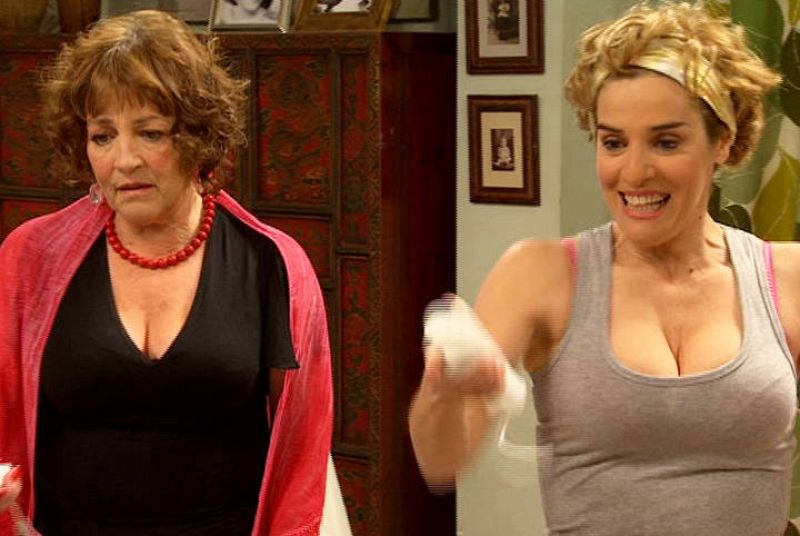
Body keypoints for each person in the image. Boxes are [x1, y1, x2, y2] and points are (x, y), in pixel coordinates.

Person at [409, 2, 794, 534]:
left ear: (723, 141)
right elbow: (440, 460)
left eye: (666, 141)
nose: (633, 172)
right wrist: (444, 388)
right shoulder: (541, 274)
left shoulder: (787, 279)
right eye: (613, 142)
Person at [0, 10, 334, 535]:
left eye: (150, 133)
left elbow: (301, 457)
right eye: (102, 136)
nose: (124, 160)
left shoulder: (273, 264)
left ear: (198, 137)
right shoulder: (29, 257)